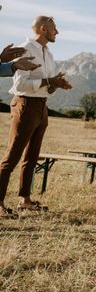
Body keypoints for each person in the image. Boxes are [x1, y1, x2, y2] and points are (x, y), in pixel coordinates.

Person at [0, 17, 72, 218]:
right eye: (54, 28)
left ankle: (24, 200)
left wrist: (56, 84)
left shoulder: (48, 53)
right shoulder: (25, 49)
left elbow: (46, 85)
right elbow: (21, 84)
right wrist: (50, 80)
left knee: (32, 157)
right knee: (12, 156)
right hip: (25, 105)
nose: (57, 32)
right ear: (43, 28)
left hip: (41, 106)